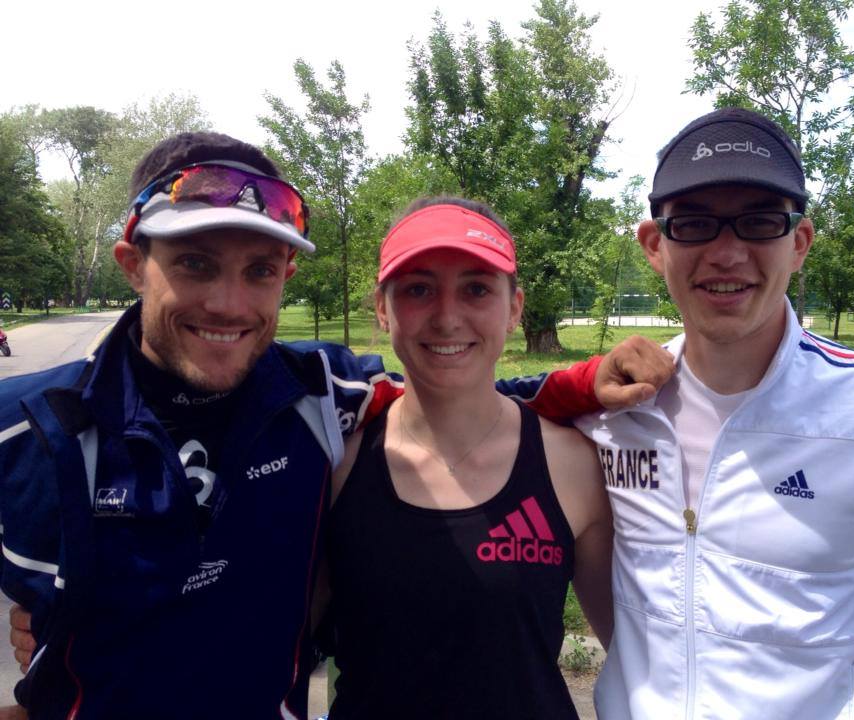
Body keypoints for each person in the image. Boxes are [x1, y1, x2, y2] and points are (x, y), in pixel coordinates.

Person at [0, 133, 670, 719]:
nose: (228, 303)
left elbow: (456, 388)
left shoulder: (318, 401)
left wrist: (582, 382)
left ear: (286, 274)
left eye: (259, 271)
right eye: (195, 263)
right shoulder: (26, 429)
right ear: (132, 265)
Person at [574, 107, 854, 719]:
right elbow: (454, 405)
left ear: (799, 242)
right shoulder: (605, 416)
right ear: (654, 245)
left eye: (758, 223)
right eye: (695, 225)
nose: (727, 254)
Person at [323, 197, 613, 718]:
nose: (447, 317)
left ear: (514, 307)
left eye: (477, 288)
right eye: (418, 289)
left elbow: (637, 652)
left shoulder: (573, 465)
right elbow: (278, 652)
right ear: (383, 309)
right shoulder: (338, 465)